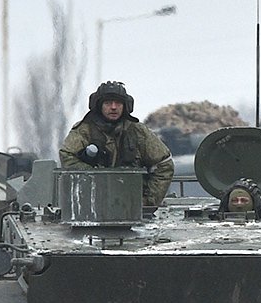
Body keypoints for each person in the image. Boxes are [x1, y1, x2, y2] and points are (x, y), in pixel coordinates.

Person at [59, 80, 175, 208]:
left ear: (125, 106)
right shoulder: (84, 131)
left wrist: (148, 201)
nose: (113, 107)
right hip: (93, 203)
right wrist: (95, 176)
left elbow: (164, 163)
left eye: (118, 103)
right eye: (108, 103)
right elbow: (67, 156)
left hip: (131, 204)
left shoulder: (138, 132)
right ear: (99, 105)